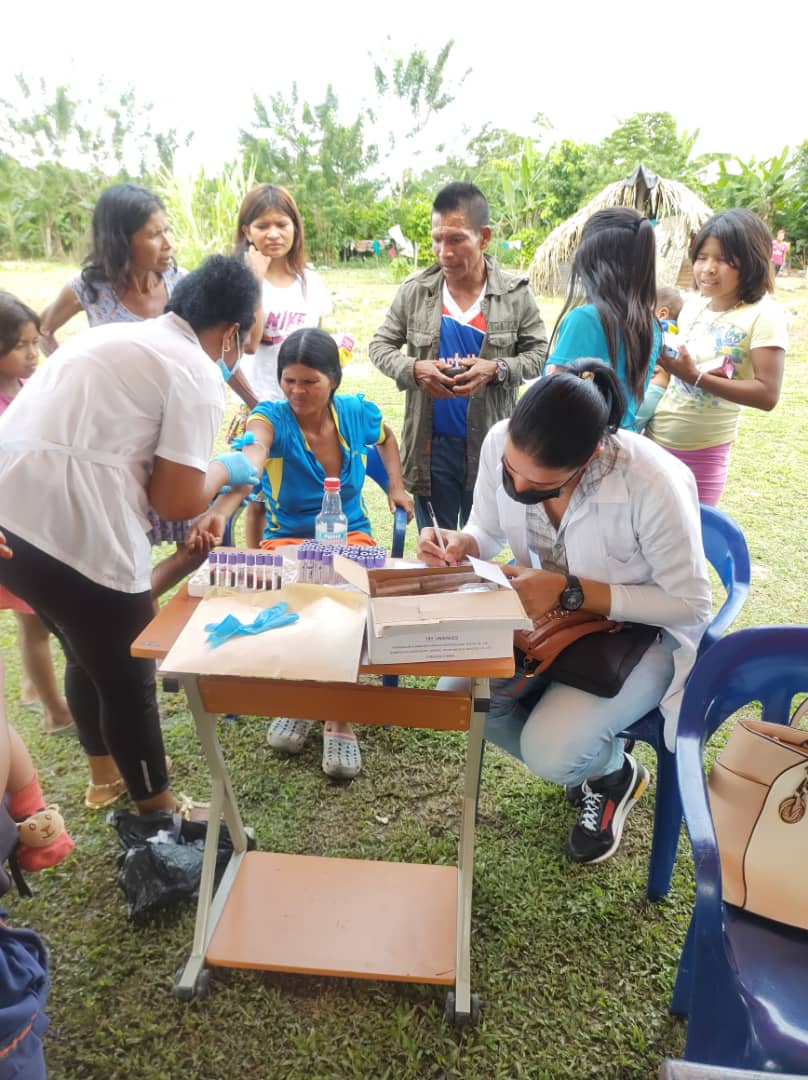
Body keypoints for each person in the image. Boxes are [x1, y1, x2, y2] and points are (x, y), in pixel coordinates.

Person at [417, 361, 711, 865]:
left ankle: (611, 770)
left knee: (550, 753)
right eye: (511, 472)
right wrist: (462, 543)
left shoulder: (650, 481)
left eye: (540, 484)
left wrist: (570, 591)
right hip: (546, 619)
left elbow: (689, 603)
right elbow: (486, 529)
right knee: (460, 699)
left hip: (639, 633)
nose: (519, 485)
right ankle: (598, 758)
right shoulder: (499, 440)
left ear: (590, 456)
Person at [0, 255, 262, 815]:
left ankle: (104, 778)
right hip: (72, 527)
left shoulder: (116, 338)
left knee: (83, 648)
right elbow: (176, 499)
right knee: (129, 673)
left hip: (8, 522)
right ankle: (159, 812)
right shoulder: (194, 370)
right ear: (233, 331)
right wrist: (227, 468)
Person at [193, 327, 413, 779]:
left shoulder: (353, 413)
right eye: (289, 380)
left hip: (351, 535)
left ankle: (337, 716)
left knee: (349, 604)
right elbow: (251, 458)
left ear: (332, 379)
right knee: (302, 598)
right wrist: (222, 507)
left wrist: (395, 483)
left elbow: (387, 438)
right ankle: (302, 697)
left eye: (309, 381)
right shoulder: (269, 417)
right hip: (288, 538)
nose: (297, 391)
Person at [37, 183, 214, 599]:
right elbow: (43, 330)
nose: (168, 243)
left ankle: (138, 605)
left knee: (201, 541)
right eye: (154, 234)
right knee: (123, 543)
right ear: (121, 238)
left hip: (170, 437)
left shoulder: (180, 283)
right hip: (115, 445)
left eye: (167, 231)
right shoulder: (88, 288)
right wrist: (74, 381)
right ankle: (126, 612)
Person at [369, 181, 548, 533]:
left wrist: (497, 368)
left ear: (484, 237)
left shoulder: (514, 295)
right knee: (435, 546)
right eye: (437, 239)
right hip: (429, 449)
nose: (443, 252)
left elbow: (540, 353)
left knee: (479, 545)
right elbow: (379, 346)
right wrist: (415, 369)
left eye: (455, 239)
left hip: (489, 445)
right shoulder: (415, 292)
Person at [646, 209, 788, 505]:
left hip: (702, 454)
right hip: (655, 440)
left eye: (723, 259)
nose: (708, 268)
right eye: (702, 257)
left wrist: (695, 376)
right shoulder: (693, 306)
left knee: (692, 542)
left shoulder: (764, 314)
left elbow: (767, 394)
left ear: (751, 260)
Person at [232, 184, 334, 548]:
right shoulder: (240, 284)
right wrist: (253, 281)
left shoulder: (311, 283)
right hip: (259, 406)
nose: (273, 234)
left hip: (307, 410)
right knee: (258, 500)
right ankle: (259, 567)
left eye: (282, 224)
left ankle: (308, 564)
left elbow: (319, 349)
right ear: (247, 232)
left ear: (295, 228)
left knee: (304, 495)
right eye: (262, 226)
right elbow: (249, 341)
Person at [0, 294, 73, 735]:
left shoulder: (24, 387)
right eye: (20, 346)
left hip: (34, 518)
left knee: (36, 618)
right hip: (12, 528)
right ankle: (54, 711)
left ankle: (35, 688)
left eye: (34, 342)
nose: (33, 354)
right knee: (35, 621)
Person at [545, 208, 663, 430]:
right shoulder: (650, 325)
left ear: (590, 256)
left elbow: (553, 402)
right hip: (622, 445)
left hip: (574, 450)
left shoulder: (585, 319)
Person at [633, 285, 684, 433]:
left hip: (650, 389)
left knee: (626, 427)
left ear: (662, 313)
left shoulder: (657, 330)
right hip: (658, 391)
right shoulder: (674, 333)